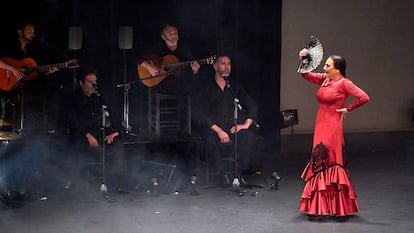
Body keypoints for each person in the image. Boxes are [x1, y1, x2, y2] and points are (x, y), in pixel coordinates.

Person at [297, 49, 370, 220]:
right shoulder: (325, 80)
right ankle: (318, 206)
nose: (324, 67)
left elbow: (364, 97)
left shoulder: (344, 83)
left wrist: (348, 109)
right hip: (320, 125)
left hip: (332, 127)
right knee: (318, 161)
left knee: (329, 161)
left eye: (328, 65)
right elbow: (306, 75)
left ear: (337, 69)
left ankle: (336, 207)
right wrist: (304, 59)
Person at [196, 55, 264, 186]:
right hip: (213, 128)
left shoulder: (234, 86)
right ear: (215, 66)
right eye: (223, 64)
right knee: (210, 142)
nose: (227, 67)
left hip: (231, 126)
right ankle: (222, 175)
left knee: (248, 138)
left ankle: (238, 174)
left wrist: (245, 124)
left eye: (229, 64)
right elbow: (201, 113)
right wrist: (219, 131)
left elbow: (252, 104)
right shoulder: (206, 87)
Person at [0, 21, 70, 134]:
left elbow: (34, 74)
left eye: (33, 32)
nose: (32, 34)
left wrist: (49, 72)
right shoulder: (8, 45)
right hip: (8, 84)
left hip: (26, 85)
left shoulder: (32, 51)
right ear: (20, 32)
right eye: (29, 32)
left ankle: (50, 123)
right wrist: (13, 69)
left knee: (51, 84)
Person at [66, 68, 129, 193]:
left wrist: (115, 131)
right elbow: (73, 121)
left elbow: (113, 113)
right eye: (90, 82)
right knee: (78, 146)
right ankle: (80, 184)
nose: (93, 85)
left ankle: (115, 182)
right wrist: (88, 135)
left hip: (100, 133)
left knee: (117, 145)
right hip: (81, 135)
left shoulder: (99, 97)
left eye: (95, 82)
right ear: (81, 83)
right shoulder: (73, 99)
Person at [136, 23, 201, 137]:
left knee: (187, 88)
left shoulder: (184, 50)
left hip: (178, 84)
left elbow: (189, 72)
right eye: (169, 33)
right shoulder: (157, 48)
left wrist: (195, 70)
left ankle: (186, 129)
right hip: (160, 83)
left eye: (175, 33)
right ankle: (179, 129)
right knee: (183, 89)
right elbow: (137, 57)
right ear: (163, 37)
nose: (173, 35)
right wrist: (149, 67)